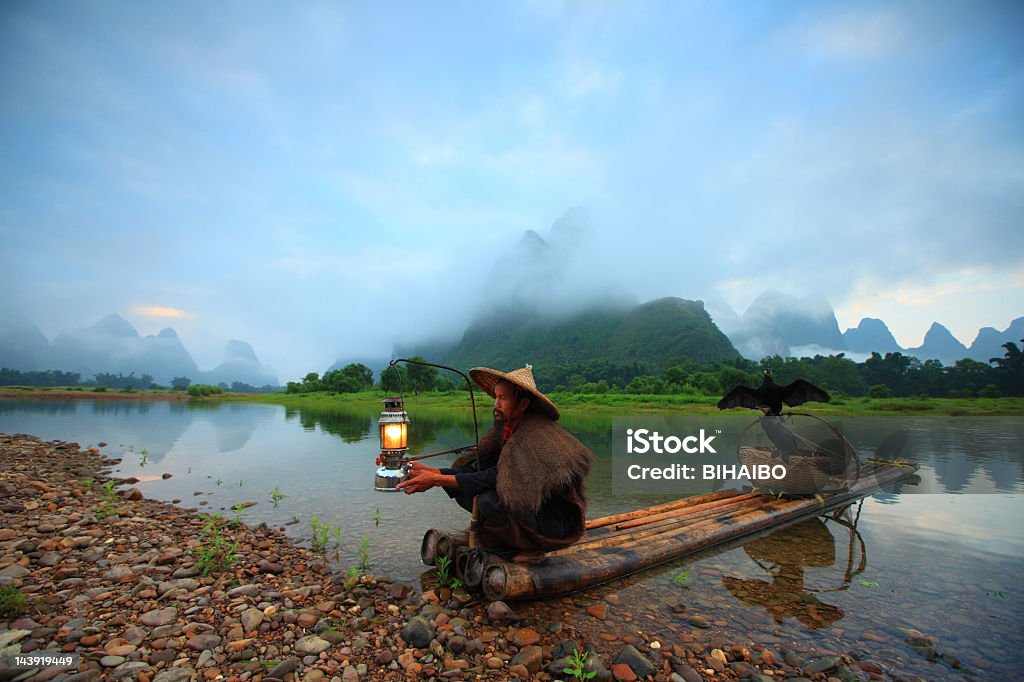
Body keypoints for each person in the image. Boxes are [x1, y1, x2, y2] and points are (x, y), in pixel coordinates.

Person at [397, 364, 593, 564]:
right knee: (464, 489)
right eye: (496, 397)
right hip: (531, 510)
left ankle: (533, 548)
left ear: (523, 404)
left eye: (503, 398)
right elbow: (479, 467)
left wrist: (438, 479)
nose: (496, 404)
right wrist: (433, 472)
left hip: (553, 522)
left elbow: (496, 477)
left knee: (488, 500)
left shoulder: (535, 435)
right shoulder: (506, 429)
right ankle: (504, 540)